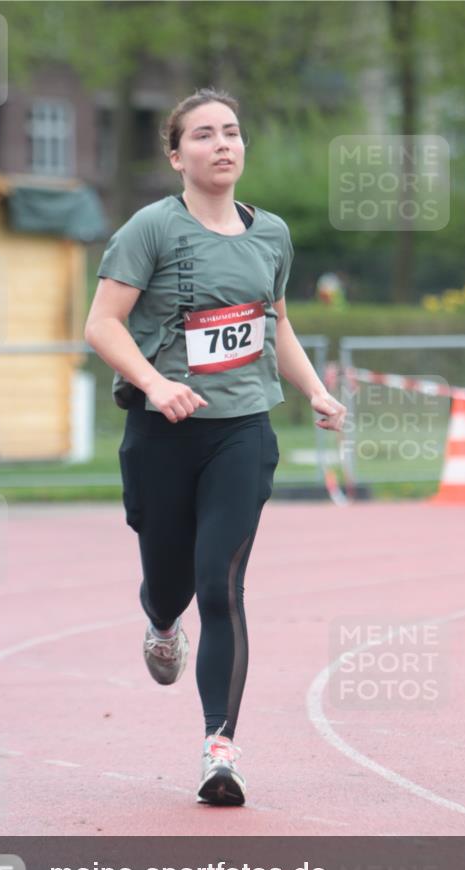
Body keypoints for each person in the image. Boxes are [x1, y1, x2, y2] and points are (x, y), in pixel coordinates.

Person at [85, 88, 345, 807]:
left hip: (242, 431)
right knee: (170, 586)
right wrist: (154, 383)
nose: (222, 144)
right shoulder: (150, 228)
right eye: (203, 135)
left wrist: (315, 391)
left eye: (231, 132)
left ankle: (218, 748)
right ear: (176, 156)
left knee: (220, 586)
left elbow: (275, 323)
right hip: (160, 435)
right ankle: (160, 623)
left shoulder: (272, 234)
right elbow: (102, 325)